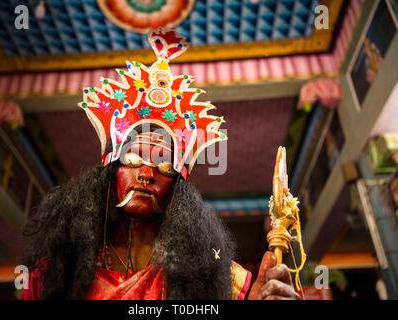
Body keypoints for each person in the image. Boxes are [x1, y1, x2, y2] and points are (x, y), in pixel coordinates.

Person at [21, 29, 300, 300]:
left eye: (165, 166)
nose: (145, 174)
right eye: (132, 159)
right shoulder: (58, 269)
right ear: (109, 170)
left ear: (179, 190)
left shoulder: (214, 274)